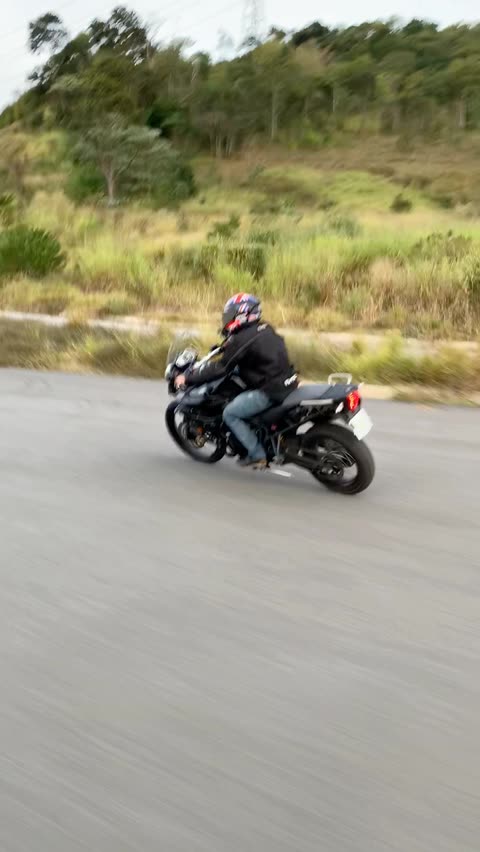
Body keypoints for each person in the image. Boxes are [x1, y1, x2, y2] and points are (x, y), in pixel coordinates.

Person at [175, 293, 298, 468]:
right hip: (287, 380)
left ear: (240, 315)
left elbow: (221, 368)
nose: (226, 319)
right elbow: (248, 352)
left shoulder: (242, 339)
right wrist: (228, 345)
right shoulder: (264, 328)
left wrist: (188, 377)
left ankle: (257, 455)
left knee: (230, 414)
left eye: (229, 315)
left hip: (270, 390)